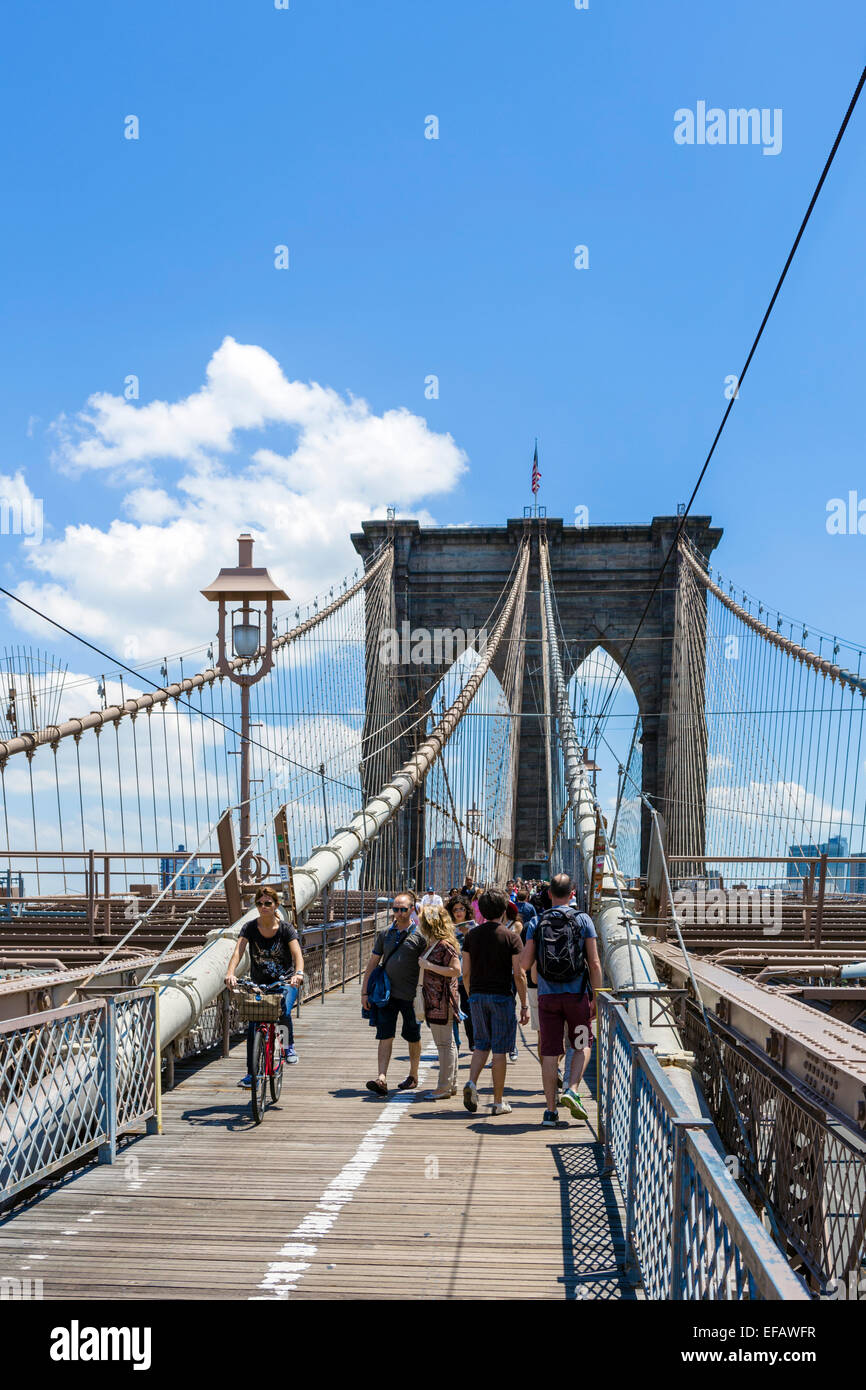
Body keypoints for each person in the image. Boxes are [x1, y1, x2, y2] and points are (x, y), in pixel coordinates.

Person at [520, 872, 602, 1128]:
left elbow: (524, 964)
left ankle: (550, 1112)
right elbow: (595, 963)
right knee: (581, 1043)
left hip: (547, 999)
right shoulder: (583, 919)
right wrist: (596, 998)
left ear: (549, 894)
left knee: (550, 1052)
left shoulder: (536, 921)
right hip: (576, 997)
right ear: (573, 894)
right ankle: (572, 1089)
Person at [225, 886, 305, 1088]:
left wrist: (298, 974)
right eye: (259, 903)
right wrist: (230, 973)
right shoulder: (250, 927)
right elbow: (238, 952)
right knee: (254, 1025)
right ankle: (252, 1075)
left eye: (268, 903)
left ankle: (287, 1046)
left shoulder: (286, 929)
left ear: (276, 905)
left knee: (283, 1009)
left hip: (284, 982)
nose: (263, 906)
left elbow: (297, 955)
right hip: (259, 984)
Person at [461, 886, 528, 1117]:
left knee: (481, 1045)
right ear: (503, 910)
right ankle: (498, 1103)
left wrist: (471, 996)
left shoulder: (471, 936)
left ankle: (471, 1082)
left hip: (477, 996)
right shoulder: (512, 937)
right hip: (501, 997)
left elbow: (466, 973)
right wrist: (525, 1004)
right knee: (499, 1051)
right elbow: (519, 974)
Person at [361, 892, 427, 1095]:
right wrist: (364, 993)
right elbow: (372, 963)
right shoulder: (385, 934)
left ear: (412, 909)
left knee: (413, 1036)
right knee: (385, 1035)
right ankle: (381, 1077)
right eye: (395, 909)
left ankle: (413, 1075)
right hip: (386, 995)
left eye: (403, 909)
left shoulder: (421, 936)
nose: (398, 913)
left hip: (411, 996)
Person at [416, 905, 462, 1100]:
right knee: (448, 1044)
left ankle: (443, 1087)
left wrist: (429, 966)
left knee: (444, 1045)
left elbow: (456, 970)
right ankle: (451, 1084)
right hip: (435, 1001)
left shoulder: (444, 945)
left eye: (423, 920)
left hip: (442, 1001)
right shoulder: (434, 943)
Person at [446, 895, 474, 1051]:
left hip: (469, 974)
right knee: (452, 1009)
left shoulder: (473, 927)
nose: (458, 912)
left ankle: (473, 1041)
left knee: (469, 1008)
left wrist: (466, 934)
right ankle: (455, 1042)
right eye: (455, 909)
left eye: (461, 909)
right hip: (451, 974)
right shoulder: (446, 928)